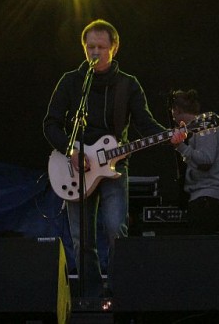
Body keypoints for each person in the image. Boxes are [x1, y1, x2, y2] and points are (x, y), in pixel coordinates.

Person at [43, 19, 186, 298]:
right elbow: (51, 124)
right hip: (76, 168)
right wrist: (71, 151)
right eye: (90, 47)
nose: (95, 52)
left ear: (114, 48)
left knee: (115, 229)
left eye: (101, 47)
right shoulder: (71, 82)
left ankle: (120, 295)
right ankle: (91, 296)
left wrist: (171, 135)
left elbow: (145, 124)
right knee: (81, 238)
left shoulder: (127, 85)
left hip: (114, 165)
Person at [169, 89, 219, 234]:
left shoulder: (205, 127)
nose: (174, 119)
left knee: (199, 242)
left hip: (207, 195)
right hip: (206, 195)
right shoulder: (199, 130)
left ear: (177, 110)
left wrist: (180, 147)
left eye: (173, 114)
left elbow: (206, 160)